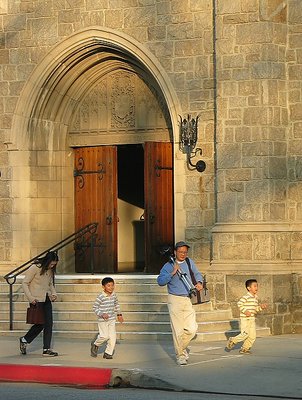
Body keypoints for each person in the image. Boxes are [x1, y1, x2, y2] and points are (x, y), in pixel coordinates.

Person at [157, 241, 203, 366]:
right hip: (174, 299)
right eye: (181, 252)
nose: (183, 254)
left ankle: (181, 349)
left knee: (192, 329)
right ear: (175, 252)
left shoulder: (189, 262)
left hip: (188, 298)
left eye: (185, 252)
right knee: (178, 330)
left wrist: (199, 282)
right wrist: (172, 273)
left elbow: (197, 274)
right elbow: (160, 281)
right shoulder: (168, 265)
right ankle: (180, 356)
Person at [19, 251, 59, 357]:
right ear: (47, 261)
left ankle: (46, 349)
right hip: (35, 300)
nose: (52, 266)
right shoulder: (34, 268)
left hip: (46, 299)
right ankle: (24, 339)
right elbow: (25, 283)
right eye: (51, 264)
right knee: (40, 324)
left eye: (54, 264)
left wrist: (54, 293)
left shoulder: (50, 270)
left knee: (49, 324)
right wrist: (30, 298)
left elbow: (50, 283)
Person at [225, 279, 267, 354]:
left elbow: (255, 309)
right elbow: (239, 304)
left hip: (252, 319)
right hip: (245, 319)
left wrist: (261, 307)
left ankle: (245, 349)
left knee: (252, 336)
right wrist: (245, 311)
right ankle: (233, 340)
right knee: (245, 334)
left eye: (257, 286)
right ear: (249, 288)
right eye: (254, 286)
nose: (256, 287)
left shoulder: (255, 298)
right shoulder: (246, 297)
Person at [90, 277, 124, 359]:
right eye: (108, 285)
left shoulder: (114, 295)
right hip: (103, 320)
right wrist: (101, 314)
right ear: (103, 287)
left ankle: (108, 353)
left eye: (112, 285)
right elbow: (95, 308)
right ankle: (95, 344)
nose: (111, 287)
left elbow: (116, 304)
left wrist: (119, 315)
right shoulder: (101, 297)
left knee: (112, 337)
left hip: (111, 319)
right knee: (104, 336)